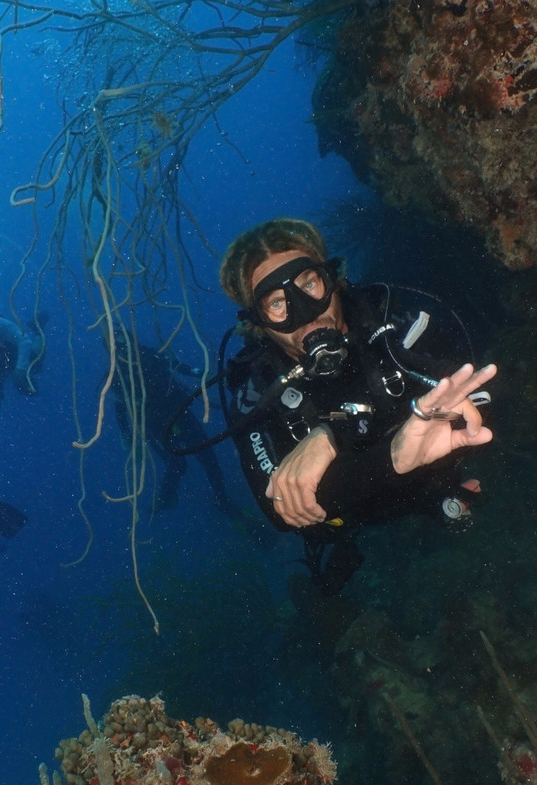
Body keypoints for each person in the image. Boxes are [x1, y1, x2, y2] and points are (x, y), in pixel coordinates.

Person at [219, 218, 497, 594]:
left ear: (332, 280)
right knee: (325, 532)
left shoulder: (401, 327)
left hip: (429, 481)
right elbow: (281, 509)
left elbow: (483, 407)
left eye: (309, 284)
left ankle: (434, 501)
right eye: (277, 304)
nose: (305, 312)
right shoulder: (256, 396)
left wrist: (334, 435)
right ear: (258, 324)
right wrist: (384, 453)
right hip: (352, 515)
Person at [110, 333, 247, 520]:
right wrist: (126, 436)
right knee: (179, 464)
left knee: (207, 457)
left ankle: (221, 498)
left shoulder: (150, 355)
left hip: (179, 413)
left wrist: (205, 373)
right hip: (158, 425)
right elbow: (120, 406)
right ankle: (169, 497)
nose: (125, 348)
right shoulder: (118, 376)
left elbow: (178, 366)